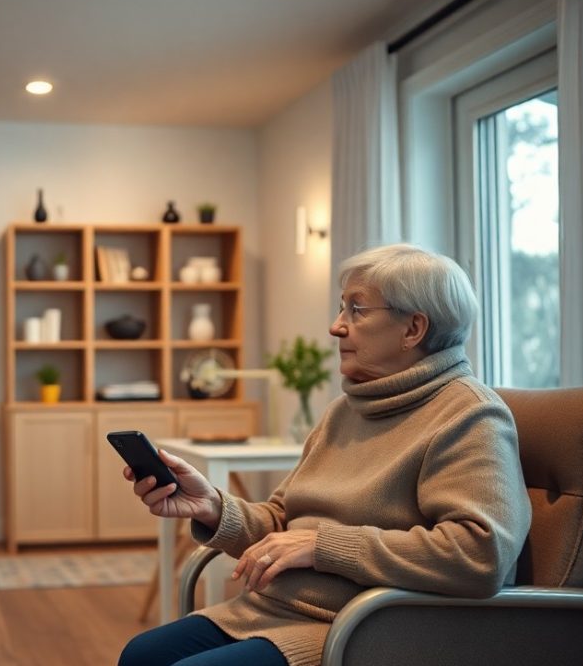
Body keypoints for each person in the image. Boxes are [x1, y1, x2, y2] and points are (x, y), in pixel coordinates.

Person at [119, 243, 532, 666]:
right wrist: (211, 508)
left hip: (360, 627)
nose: (336, 327)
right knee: (139, 655)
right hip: (271, 609)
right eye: (341, 309)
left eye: (357, 310)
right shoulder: (345, 411)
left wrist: (324, 547)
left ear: (413, 329)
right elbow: (282, 522)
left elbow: (480, 555)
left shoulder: (469, 415)